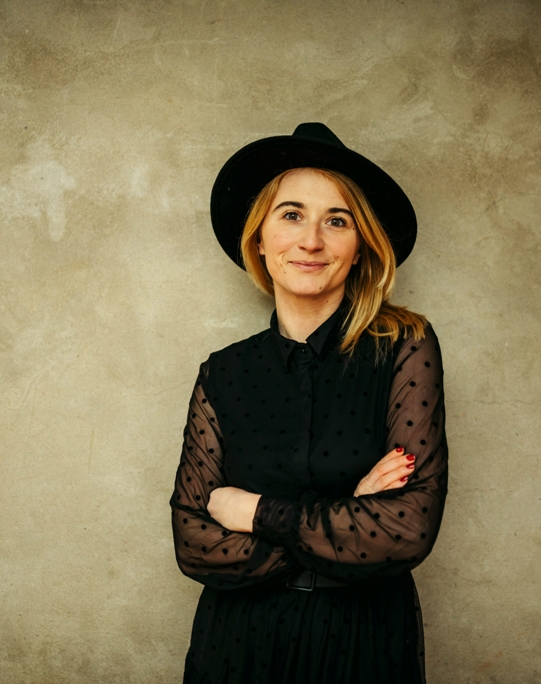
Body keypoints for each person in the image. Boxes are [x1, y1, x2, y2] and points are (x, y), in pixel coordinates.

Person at [170, 122, 448, 684]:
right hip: (237, 643)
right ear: (259, 239)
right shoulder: (223, 372)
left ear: (360, 246)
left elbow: (408, 529)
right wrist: (347, 511)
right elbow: (193, 543)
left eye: (337, 221)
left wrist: (256, 514)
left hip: (362, 640)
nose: (312, 241)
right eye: (291, 215)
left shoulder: (404, 347)